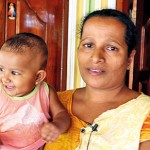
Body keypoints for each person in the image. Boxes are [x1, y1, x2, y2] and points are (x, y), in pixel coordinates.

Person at [44, 9, 150, 150]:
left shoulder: (144, 113)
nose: (96, 57)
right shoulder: (51, 103)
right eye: (88, 45)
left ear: (130, 58)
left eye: (111, 48)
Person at [0, 32, 70, 150]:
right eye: (1, 69)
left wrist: (57, 126)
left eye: (15, 73)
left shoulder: (46, 91)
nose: (5, 78)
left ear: (38, 77)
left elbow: (61, 114)